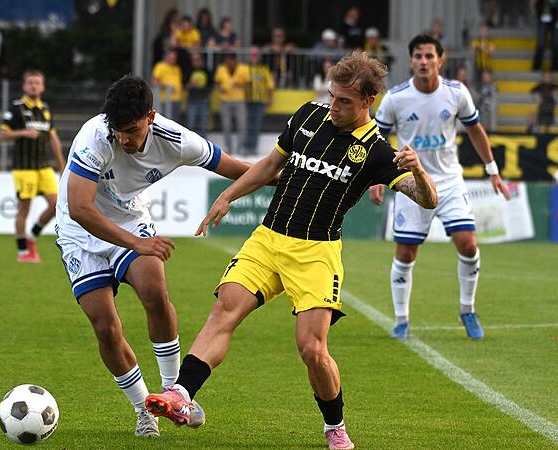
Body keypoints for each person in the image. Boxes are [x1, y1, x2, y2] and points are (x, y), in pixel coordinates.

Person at [145, 51, 438, 450]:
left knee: (312, 349)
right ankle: (181, 394)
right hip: (268, 238)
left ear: (369, 101)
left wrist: (419, 171)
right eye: (332, 96)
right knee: (223, 310)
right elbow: (269, 165)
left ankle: (334, 427)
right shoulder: (307, 116)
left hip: (316, 253)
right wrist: (227, 195)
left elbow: (428, 200)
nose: (334, 107)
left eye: (344, 102)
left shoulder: (377, 152)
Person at [54, 75, 252, 437]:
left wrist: (296, 175)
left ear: (151, 117)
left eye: (131, 129)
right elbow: (80, 208)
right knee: (106, 327)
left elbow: (239, 169)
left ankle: (175, 394)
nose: (124, 139)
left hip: (130, 219)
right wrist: (137, 243)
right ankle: (143, 410)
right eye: (118, 131)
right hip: (79, 233)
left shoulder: (176, 140)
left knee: (155, 292)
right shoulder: (94, 138)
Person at [371, 34, 510, 340]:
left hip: (448, 181)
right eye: (418, 56)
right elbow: (375, 140)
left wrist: (492, 171)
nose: (423, 61)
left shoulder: (457, 93)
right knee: (406, 252)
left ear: (440, 60)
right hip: (410, 183)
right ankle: (402, 320)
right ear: (411, 61)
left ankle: (467, 309)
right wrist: (378, 178)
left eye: (429, 56)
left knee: (468, 243)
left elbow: (476, 131)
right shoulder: (395, 98)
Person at [0, 70, 65, 263]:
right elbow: (2, 134)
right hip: (24, 167)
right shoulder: (16, 108)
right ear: (24, 86)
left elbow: (53, 138)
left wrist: (62, 165)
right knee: (24, 209)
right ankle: (23, 253)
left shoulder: (45, 109)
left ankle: (32, 236)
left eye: (37, 83)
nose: (34, 86)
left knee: (56, 205)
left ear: (42, 87)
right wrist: (24, 133)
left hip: (43, 167)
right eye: (30, 83)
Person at [214, 53, 249, 153]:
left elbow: (248, 84)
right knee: (226, 125)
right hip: (225, 100)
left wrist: (241, 84)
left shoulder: (243, 68)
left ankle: (241, 148)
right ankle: (228, 148)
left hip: (239, 100)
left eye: (229, 62)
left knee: (241, 124)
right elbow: (217, 83)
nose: (227, 64)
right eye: (226, 62)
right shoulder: (221, 68)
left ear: (234, 61)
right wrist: (220, 88)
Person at [244, 46, 275, 155]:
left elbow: (270, 85)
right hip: (247, 101)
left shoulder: (264, 69)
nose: (254, 57)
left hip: (260, 101)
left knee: (256, 125)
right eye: (252, 55)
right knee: (246, 125)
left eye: (256, 55)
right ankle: (246, 147)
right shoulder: (245, 68)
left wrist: (270, 98)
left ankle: (253, 148)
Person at [185, 52, 213, 138]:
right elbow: (184, 85)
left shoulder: (206, 71)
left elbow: (211, 85)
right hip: (192, 100)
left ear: (201, 60)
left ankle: (204, 147)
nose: (195, 62)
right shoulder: (189, 71)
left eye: (197, 60)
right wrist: (191, 85)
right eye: (193, 60)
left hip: (203, 100)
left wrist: (203, 89)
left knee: (203, 126)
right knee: (190, 125)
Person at [151, 49, 183, 121]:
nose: (173, 60)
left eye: (174, 58)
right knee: (166, 122)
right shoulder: (160, 66)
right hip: (166, 99)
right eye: (172, 58)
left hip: (177, 99)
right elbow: (155, 81)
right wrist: (166, 86)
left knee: (175, 122)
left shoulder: (177, 68)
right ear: (166, 57)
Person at [532, 0, 558, 71]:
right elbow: (534, 3)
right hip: (544, 12)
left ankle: (555, 68)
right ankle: (536, 68)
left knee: (556, 44)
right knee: (541, 44)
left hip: (557, 15)